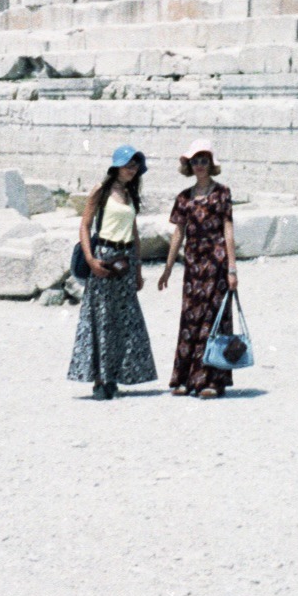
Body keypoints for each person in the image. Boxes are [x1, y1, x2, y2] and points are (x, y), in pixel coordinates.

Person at [67, 145, 157, 400]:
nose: (133, 169)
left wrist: (138, 268)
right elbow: (84, 226)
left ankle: (114, 376)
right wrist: (90, 259)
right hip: (105, 258)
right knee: (101, 319)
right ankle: (99, 380)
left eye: (135, 165)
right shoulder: (101, 190)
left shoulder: (131, 193)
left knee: (123, 320)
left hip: (125, 261)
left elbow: (134, 232)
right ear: (117, 165)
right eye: (129, 164)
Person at [158, 139, 239, 399]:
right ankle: (186, 378)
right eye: (195, 161)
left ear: (211, 163)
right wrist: (168, 268)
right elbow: (178, 233)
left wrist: (232, 268)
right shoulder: (184, 198)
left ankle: (212, 381)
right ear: (189, 165)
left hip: (216, 264)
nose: (200, 166)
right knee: (191, 320)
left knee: (213, 321)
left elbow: (228, 229)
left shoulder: (222, 193)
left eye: (204, 160)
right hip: (193, 266)